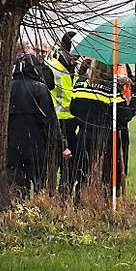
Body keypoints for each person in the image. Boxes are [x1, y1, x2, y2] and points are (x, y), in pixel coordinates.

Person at [69, 59, 136, 196]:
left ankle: (81, 207)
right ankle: (103, 209)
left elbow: (73, 108)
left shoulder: (80, 83)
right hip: (106, 141)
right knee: (106, 180)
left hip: (84, 138)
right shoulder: (111, 88)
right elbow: (123, 115)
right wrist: (135, 98)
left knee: (83, 178)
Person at [7, 53, 71, 195]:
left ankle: (17, 213)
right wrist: (62, 145)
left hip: (12, 147)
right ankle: (39, 211)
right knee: (39, 186)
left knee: (16, 187)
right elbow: (51, 122)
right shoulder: (40, 89)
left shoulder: (7, 88)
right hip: (36, 147)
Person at [45, 32, 79, 190]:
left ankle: (55, 196)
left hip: (63, 118)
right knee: (62, 164)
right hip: (60, 118)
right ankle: (59, 196)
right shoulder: (56, 64)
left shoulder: (55, 60)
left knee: (55, 164)